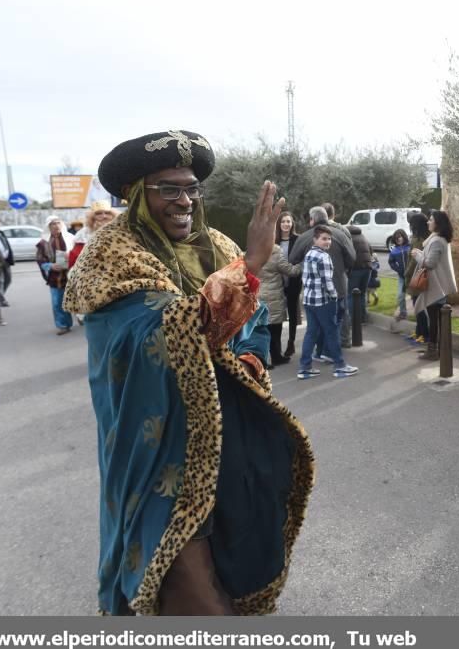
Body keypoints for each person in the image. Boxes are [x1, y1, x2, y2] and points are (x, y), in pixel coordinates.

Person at [63, 130, 313, 615]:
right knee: (186, 578)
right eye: (169, 189)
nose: (185, 201)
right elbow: (171, 329)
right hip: (161, 446)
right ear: (137, 193)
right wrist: (253, 262)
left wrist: (249, 361)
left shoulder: (216, 246)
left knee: (233, 558)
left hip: (229, 439)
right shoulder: (110, 257)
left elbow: (255, 319)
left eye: (193, 189)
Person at [288, 206, 355, 362]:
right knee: (334, 321)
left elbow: (292, 259)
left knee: (317, 324)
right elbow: (352, 258)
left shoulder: (305, 237)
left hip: (314, 290)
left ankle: (320, 352)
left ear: (312, 220)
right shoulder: (340, 234)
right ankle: (327, 351)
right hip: (338, 286)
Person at [296, 225, 359, 379]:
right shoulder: (324, 257)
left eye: (329, 239)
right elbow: (327, 282)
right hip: (324, 301)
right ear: (315, 239)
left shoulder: (309, 254)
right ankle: (340, 366)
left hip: (309, 300)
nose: (327, 242)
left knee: (311, 333)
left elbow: (305, 278)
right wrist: (334, 296)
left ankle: (304, 368)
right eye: (324, 239)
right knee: (331, 332)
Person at [411, 210, 457, 361]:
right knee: (435, 319)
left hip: (436, 286)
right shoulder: (438, 239)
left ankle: (433, 351)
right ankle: (436, 349)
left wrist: (417, 255)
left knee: (434, 320)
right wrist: (421, 253)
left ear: (438, 223)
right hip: (438, 285)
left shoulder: (437, 241)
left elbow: (430, 263)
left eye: (431, 220)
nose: (428, 222)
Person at [259, 240, 302, 366]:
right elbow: (291, 271)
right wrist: (301, 264)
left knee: (263, 329)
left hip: (259, 294)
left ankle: (263, 360)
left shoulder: (253, 252)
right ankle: (276, 357)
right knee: (275, 329)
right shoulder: (275, 253)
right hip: (273, 296)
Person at [36, 216, 75, 335]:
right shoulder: (43, 243)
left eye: (58, 223)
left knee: (75, 300)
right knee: (57, 302)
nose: (56, 225)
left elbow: (80, 253)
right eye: (53, 224)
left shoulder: (71, 239)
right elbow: (40, 259)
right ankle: (63, 325)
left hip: (72, 275)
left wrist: (71, 259)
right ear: (48, 226)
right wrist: (50, 266)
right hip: (55, 278)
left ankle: (81, 316)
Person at [275, 211, 301, 357]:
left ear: (292, 224)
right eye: (283, 221)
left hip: (293, 282)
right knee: (278, 314)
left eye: (288, 221)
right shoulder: (274, 240)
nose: (286, 224)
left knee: (292, 312)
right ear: (279, 224)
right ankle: (276, 347)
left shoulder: (297, 239)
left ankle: (291, 343)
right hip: (277, 283)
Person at [68, 200, 120, 269]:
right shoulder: (83, 234)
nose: (104, 216)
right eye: (99, 213)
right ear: (92, 217)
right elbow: (75, 257)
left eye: (107, 213)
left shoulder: (119, 230)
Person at [405, 213, 431, 345]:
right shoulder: (419, 237)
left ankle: (423, 334)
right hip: (418, 275)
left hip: (417, 275)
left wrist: (407, 273)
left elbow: (414, 261)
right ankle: (419, 331)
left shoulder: (420, 239)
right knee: (418, 306)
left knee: (419, 307)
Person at [346, 223, 374, 341]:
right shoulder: (363, 237)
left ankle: (353, 320)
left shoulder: (349, 238)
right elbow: (371, 251)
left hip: (356, 269)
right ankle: (363, 318)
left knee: (351, 295)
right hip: (367, 268)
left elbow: (348, 255)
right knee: (361, 294)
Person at [388, 229, 410, 321]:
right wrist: (398, 269)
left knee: (416, 296)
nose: (399, 239)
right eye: (397, 238)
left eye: (400, 237)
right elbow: (391, 262)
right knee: (400, 295)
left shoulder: (410, 247)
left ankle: (421, 314)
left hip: (412, 276)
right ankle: (403, 313)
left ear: (404, 237)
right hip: (402, 277)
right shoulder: (394, 251)